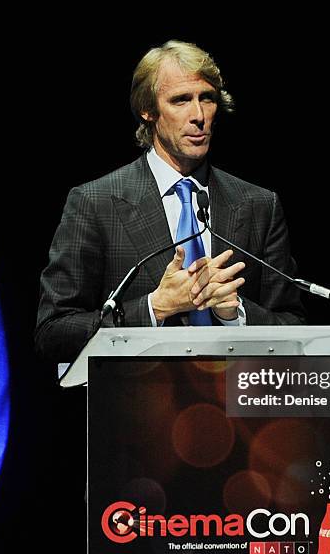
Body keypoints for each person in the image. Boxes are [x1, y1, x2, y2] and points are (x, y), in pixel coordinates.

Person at [35, 40, 306, 364]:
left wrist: (237, 313)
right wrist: (154, 307)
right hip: (138, 406)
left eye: (207, 98)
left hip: (237, 402)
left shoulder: (259, 205)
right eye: (180, 100)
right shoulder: (95, 203)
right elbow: (54, 333)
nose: (198, 115)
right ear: (148, 110)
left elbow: (295, 327)